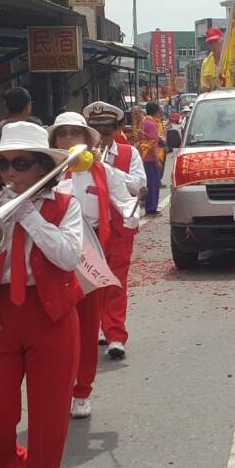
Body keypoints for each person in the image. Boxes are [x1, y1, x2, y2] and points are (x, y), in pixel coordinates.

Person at [0, 121, 86, 468]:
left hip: (51, 317)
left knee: (49, 418)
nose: (11, 173)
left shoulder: (65, 204)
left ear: (42, 167)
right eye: (5, 164)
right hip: (0, 318)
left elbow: (68, 257)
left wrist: (30, 216)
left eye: (21, 164)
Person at [50, 112, 139, 420]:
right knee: (56, 332)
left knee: (87, 331)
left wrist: (130, 212)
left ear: (88, 140)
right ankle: (57, 388)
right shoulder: (44, 172)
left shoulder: (104, 172)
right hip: (54, 260)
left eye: (76, 134)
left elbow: (124, 199)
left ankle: (81, 391)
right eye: (63, 134)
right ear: (54, 141)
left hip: (91, 257)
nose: (69, 140)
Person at [85, 101, 142, 359]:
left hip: (119, 227)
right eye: (95, 129)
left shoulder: (129, 154)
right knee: (91, 280)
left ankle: (116, 335)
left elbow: (139, 185)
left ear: (117, 128)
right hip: (89, 227)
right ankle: (99, 326)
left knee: (116, 282)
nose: (101, 135)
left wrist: (107, 170)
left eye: (107, 129)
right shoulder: (79, 157)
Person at [0, 87, 38, 192]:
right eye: (2, 164)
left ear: (7, 108)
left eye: (21, 164)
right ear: (28, 107)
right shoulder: (35, 130)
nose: (10, 172)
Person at [137, 103, 165, 216]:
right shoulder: (152, 124)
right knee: (153, 184)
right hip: (151, 157)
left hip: (144, 157)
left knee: (149, 183)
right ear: (156, 111)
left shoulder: (143, 122)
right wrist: (157, 160)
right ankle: (152, 209)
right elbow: (153, 144)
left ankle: (150, 207)